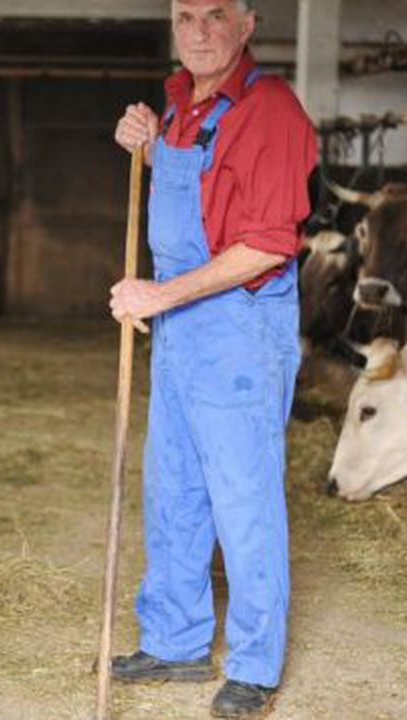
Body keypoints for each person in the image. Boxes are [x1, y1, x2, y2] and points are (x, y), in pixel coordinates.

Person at [107, 0, 316, 716]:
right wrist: (144, 146)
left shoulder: (271, 110)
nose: (197, 31)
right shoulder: (179, 103)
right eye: (185, 16)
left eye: (215, 15)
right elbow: (202, 186)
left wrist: (159, 294)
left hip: (238, 330)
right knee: (174, 487)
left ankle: (255, 665)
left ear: (247, 23)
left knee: (243, 498)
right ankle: (174, 642)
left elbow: (266, 245)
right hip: (179, 329)